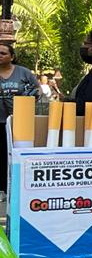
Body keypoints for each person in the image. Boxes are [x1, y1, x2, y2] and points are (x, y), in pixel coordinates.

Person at [0, 42, 40, 193]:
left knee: (17, 153)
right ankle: (3, 188)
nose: (0, 56)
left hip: (19, 122)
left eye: (3, 53)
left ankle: (19, 186)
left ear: (12, 57)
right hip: (0, 121)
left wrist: (28, 98)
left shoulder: (23, 72)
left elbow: (37, 90)